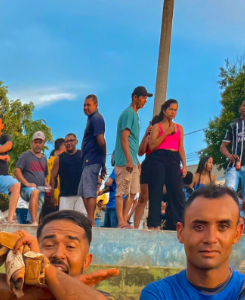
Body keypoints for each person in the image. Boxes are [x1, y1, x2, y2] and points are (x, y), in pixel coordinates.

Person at [143, 99, 187, 232]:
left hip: (174, 159)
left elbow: (181, 148)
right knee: (156, 191)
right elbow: (152, 145)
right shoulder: (157, 126)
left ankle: (178, 223)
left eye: (175, 110)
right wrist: (166, 132)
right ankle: (154, 224)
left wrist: (184, 165)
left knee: (176, 191)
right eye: (171, 109)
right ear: (164, 110)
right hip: (159, 158)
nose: (173, 112)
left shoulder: (179, 128)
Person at [113, 85, 150, 229]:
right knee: (122, 191)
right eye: (143, 97)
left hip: (132, 160)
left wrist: (135, 160)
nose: (145, 101)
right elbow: (124, 138)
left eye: (146, 98)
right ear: (135, 97)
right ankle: (120, 221)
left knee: (133, 191)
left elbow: (133, 141)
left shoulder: (135, 115)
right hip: (124, 161)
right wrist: (129, 159)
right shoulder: (129, 113)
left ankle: (125, 220)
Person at [221, 95, 245, 231]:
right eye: (243, 105)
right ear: (239, 107)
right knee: (227, 195)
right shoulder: (233, 124)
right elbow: (223, 146)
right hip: (234, 166)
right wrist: (229, 156)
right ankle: (230, 223)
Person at [80, 95, 108, 221]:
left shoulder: (96, 119)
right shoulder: (91, 119)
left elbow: (102, 142)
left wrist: (103, 162)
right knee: (82, 192)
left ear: (96, 105)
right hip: (87, 161)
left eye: (89, 105)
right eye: (84, 105)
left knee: (89, 191)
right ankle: (90, 219)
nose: (86, 107)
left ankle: (91, 221)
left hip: (92, 159)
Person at [13, 132, 50, 226]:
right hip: (26, 189)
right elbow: (17, 171)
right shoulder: (25, 155)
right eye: (36, 142)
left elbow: (45, 175)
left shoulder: (44, 158)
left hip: (40, 188)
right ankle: (33, 221)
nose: (38, 145)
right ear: (32, 143)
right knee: (34, 192)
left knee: (40, 200)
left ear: (43, 143)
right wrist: (27, 183)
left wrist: (46, 184)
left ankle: (33, 221)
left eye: (40, 142)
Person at [50, 133, 84, 212]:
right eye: (67, 141)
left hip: (81, 196)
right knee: (65, 222)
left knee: (81, 222)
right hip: (65, 197)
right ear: (64, 144)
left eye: (71, 141)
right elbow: (52, 178)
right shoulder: (59, 158)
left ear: (76, 142)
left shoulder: (82, 155)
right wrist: (52, 197)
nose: (69, 143)